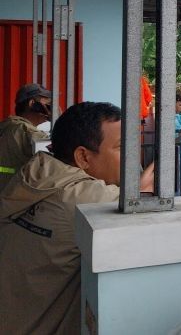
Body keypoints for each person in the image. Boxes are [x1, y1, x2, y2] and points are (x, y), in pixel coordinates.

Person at [0, 101, 155, 335]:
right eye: (122, 147)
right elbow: (144, 207)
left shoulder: (38, 172)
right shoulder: (84, 199)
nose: (133, 156)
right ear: (83, 157)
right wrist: (144, 190)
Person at [0, 83, 52, 192]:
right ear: (32, 103)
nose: (50, 108)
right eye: (47, 104)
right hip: (13, 198)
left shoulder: (7, 126)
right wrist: (58, 120)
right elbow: (59, 156)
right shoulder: (25, 130)